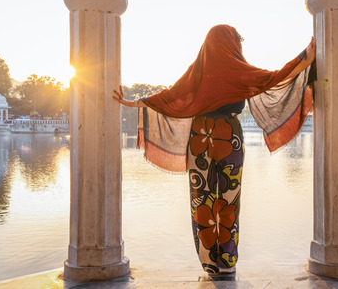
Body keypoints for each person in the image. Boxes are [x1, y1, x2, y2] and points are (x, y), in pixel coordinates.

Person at [112, 24, 315, 276]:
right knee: (229, 199)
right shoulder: (238, 69)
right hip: (230, 137)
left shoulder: (198, 71)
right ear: (232, 43)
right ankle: (227, 262)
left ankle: (209, 262)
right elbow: (274, 78)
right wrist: (305, 57)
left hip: (200, 136)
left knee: (202, 199)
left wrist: (131, 102)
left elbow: (171, 97)